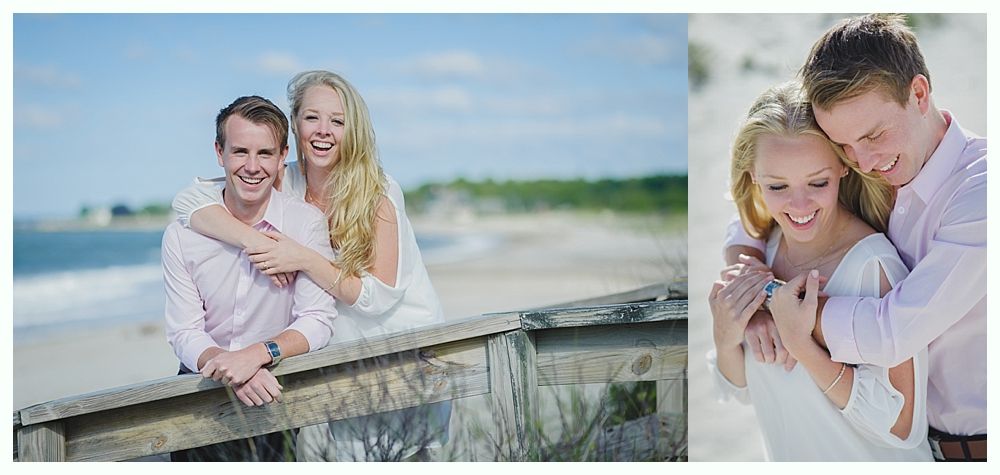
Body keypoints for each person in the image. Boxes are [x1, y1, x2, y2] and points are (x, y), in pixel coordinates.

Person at [723, 14, 986, 461]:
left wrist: (778, 304)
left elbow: (892, 331)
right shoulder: (881, 161)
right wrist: (747, 273)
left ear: (918, 94)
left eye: (873, 135)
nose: (863, 159)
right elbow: (780, 198)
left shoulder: (981, 191)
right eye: (843, 145)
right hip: (930, 451)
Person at [171, 70, 450, 461]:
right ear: (295, 125)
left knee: (411, 455)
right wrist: (253, 241)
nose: (324, 131)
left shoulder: (377, 190)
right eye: (312, 117)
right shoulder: (286, 179)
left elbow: (377, 298)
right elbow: (188, 202)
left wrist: (301, 257)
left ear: (353, 130)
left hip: (404, 346)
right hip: (343, 351)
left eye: (337, 121)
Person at [708, 81, 932, 461]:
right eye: (778, 185)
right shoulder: (766, 249)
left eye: (817, 182)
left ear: (844, 169)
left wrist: (803, 347)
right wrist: (726, 336)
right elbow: (740, 387)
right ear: (753, 177)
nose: (799, 205)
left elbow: (902, 426)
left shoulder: (873, 267)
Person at [162, 95, 338, 461]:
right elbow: (184, 331)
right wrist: (230, 367)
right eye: (240, 151)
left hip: (273, 386)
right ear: (219, 152)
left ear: (282, 156)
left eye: (266, 154)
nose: (252, 167)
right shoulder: (183, 235)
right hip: (199, 387)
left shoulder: (305, 224)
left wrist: (257, 356)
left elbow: (318, 320)